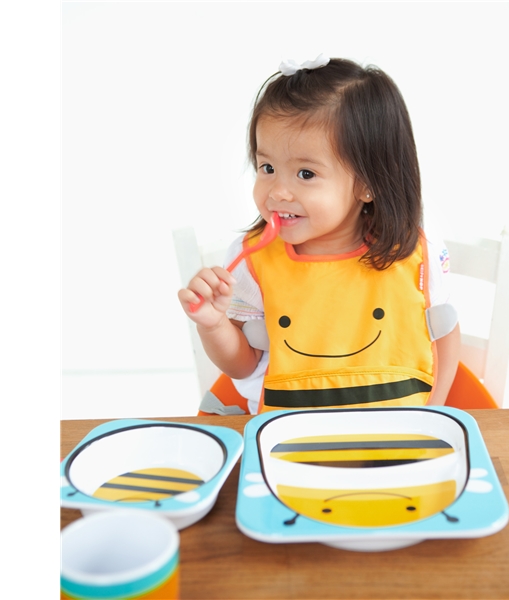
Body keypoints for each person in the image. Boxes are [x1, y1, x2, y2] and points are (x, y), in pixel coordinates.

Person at [178, 55, 460, 415]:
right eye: (267, 167)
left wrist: (433, 414)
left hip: (399, 430)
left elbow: (444, 334)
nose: (278, 191)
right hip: (288, 435)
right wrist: (214, 324)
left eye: (306, 174)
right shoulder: (252, 262)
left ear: (368, 184)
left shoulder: (413, 252)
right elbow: (243, 366)